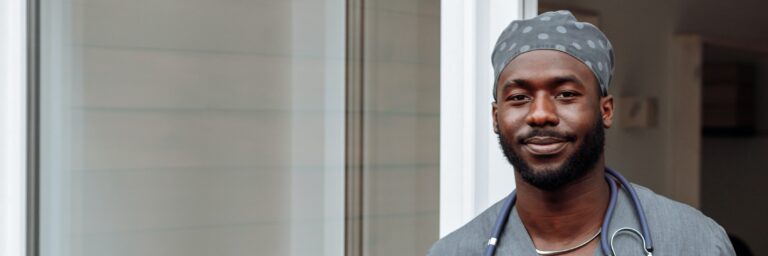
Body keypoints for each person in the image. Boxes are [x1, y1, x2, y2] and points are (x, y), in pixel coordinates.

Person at [428, 10, 735, 256]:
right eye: (519, 97)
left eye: (565, 94)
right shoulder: (455, 251)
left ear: (606, 110)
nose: (540, 114)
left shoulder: (694, 241)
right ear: (496, 117)